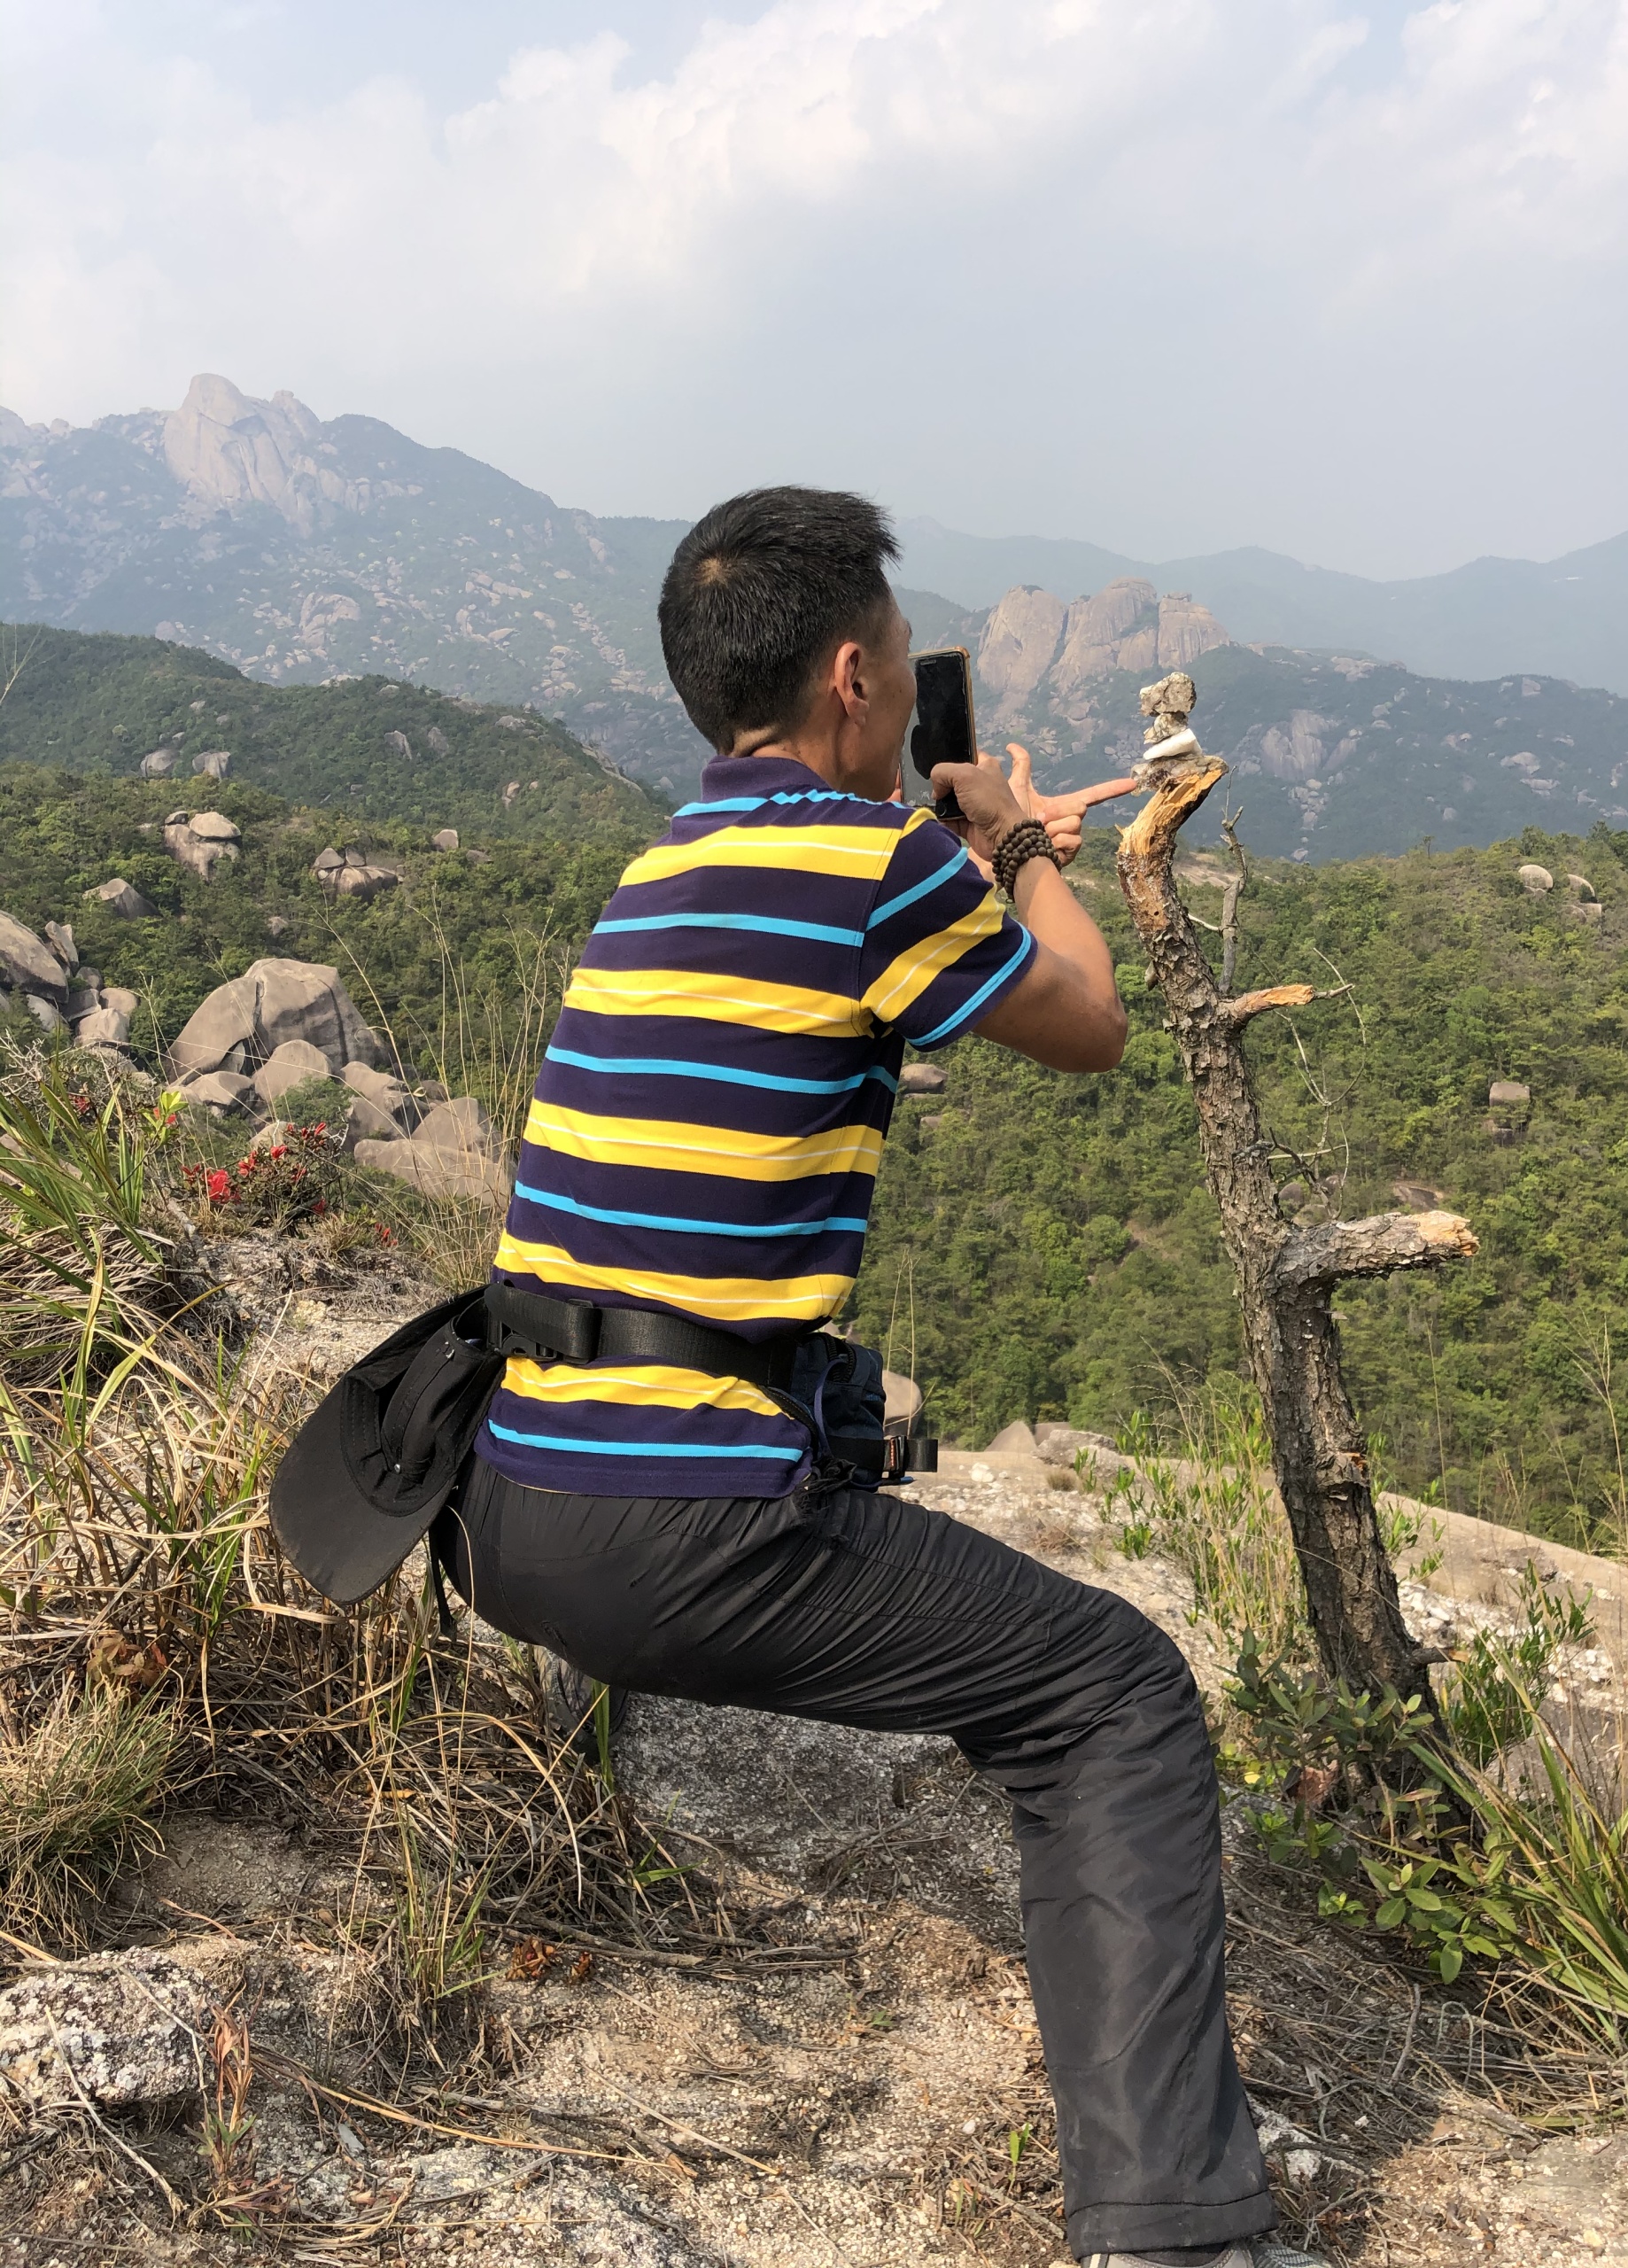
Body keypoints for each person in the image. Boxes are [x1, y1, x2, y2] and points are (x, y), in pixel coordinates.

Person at [437, 487, 1324, 2268]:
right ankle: (1175, 2230)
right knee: (1115, 1691)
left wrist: (949, 843)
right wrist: (1017, 841)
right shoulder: (878, 859)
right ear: (859, 674)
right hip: (671, 1528)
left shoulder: (666, 855)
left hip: (503, 1497)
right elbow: (1086, 1023)